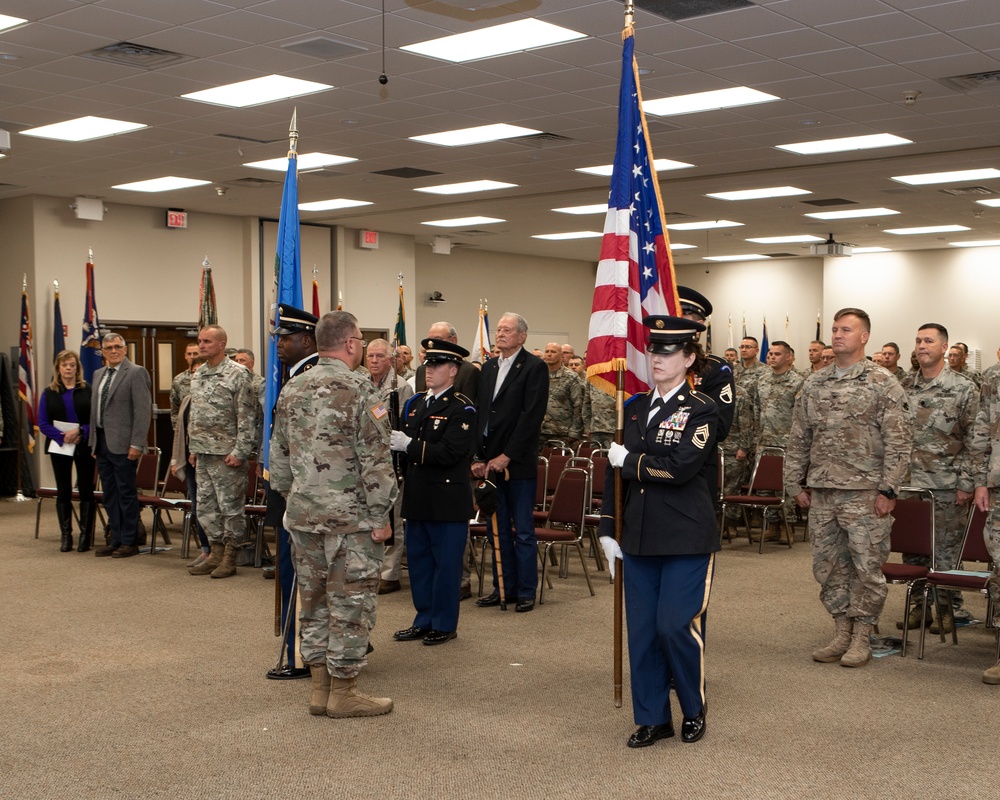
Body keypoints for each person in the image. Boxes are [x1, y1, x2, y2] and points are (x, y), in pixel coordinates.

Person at [598, 315, 719, 748]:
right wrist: (609, 528)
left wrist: (627, 461)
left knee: (674, 626)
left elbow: (682, 468)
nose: (658, 359)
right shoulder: (631, 408)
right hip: (640, 535)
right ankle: (652, 716)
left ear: (689, 358)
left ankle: (692, 706)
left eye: (669, 352)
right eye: (653, 351)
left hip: (686, 535)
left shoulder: (702, 408)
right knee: (644, 631)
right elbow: (614, 479)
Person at [269, 311, 397, 718]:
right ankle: (344, 692)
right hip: (351, 521)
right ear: (352, 344)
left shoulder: (293, 387)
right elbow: (376, 462)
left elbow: (279, 459)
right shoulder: (362, 389)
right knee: (351, 604)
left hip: (304, 516)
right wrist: (381, 517)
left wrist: (300, 500)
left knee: (314, 601)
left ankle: (319, 691)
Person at [785, 308, 912, 668]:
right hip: (823, 490)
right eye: (835, 329)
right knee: (827, 566)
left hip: (866, 493)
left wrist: (889, 491)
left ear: (864, 337)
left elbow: (899, 442)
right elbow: (798, 437)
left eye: (846, 330)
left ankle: (862, 635)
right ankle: (841, 629)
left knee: (866, 566)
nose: (838, 335)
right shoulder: (814, 383)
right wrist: (793, 482)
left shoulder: (882, 382)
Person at [391, 338, 476, 646]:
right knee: (419, 563)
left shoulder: (461, 408)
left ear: (453, 371)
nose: (429, 370)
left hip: (446, 500)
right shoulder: (415, 404)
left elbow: (450, 453)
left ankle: (444, 623)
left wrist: (408, 445)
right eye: (428, 363)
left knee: (446, 565)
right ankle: (423, 618)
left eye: (437, 365)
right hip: (417, 495)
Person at [897, 323, 977, 633]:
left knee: (945, 550)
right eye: (917, 340)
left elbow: (976, 440)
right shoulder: (904, 386)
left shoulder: (963, 388)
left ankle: (948, 609)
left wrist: (967, 483)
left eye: (928, 341)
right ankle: (921, 607)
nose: (921, 345)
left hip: (947, 486)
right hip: (909, 482)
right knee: (913, 549)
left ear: (945, 347)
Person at [472, 312, 548, 613]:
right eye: (499, 329)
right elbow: (480, 413)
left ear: (522, 336)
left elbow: (531, 417)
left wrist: (508, 455)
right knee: (496, 529)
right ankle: (503, 587)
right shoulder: (489, 366)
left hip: (517, 464)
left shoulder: (534, 367)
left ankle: (526, 590)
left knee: (523, 531)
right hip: (490, 462)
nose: (500, 334)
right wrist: (478, 456)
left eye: (507, 330)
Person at [264, 304, 319, 678]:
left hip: (305, 495)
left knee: (301, 571)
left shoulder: (311, 379)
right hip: (290, 489)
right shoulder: (294, 376)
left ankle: (301, 654)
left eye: (285, 339)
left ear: (306, 339)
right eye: (278, 339)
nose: (279, 345)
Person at [186, 325, 256, 579]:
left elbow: (247, 416)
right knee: (205, 507)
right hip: (203, 452)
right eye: (200, 341)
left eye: (206, 341)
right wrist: (193, 448)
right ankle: (215, 551)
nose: (201, 345)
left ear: (222, 344)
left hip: (227, 454)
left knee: (230, 507)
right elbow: (195, 415)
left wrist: (241, 450)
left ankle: (230, 555)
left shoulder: (238, 374)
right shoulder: (199, 374)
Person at [89, 333, 152, 558]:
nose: (113, 351)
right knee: (109, 495)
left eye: (117, 347)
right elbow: (94, 411)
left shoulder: (136, 372)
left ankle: (129, 541)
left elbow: (143, 412)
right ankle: (114, 538)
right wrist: (94, 443)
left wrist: (137, 443)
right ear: (103, 352)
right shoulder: (98, 374)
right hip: (102, 442)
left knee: (126, 493)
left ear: (125, 350)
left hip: (125, 445)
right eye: (108, 348)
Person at [365, 338, 414, 595]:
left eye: (379, 357)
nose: (373, 361)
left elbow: (401, 424)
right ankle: (372, 570)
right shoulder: (361, 383)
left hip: (390, 461)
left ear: (391, 359)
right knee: (372, 517)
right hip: (366, 462)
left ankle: (390, 573)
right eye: (370, 356)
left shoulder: (400, 387)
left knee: (392, 519)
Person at [38, 350, 95, 552]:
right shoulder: (49, 392)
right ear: (58, 368)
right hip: (60, 445)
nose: (69, 368)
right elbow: (42, 423)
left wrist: (80, 431)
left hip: (83, 443)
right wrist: (63, 436)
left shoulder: (87, 389)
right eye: (65, 365)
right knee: (63, 491)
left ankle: (85, 537)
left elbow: (94, 420)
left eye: (72, 365)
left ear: (77, 368)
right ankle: (66, 536)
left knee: (86, 490)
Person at [540, 341, 584, 446]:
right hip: (539, 431)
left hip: (562, 432)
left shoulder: (571, 377)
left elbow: (578, 405)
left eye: (553, 352)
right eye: (547, 351)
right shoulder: (538, 375)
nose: (549, 354)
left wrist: (575, 432)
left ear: (561, 355)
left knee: (558, 462)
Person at [170, 342, 201, 430]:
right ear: (185, 356)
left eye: (195, 353)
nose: (192, 357)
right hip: (185, 428)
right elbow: (175, 408)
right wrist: (177, 430)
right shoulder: (179, 380)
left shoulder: (208, 376)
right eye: (189, 354)